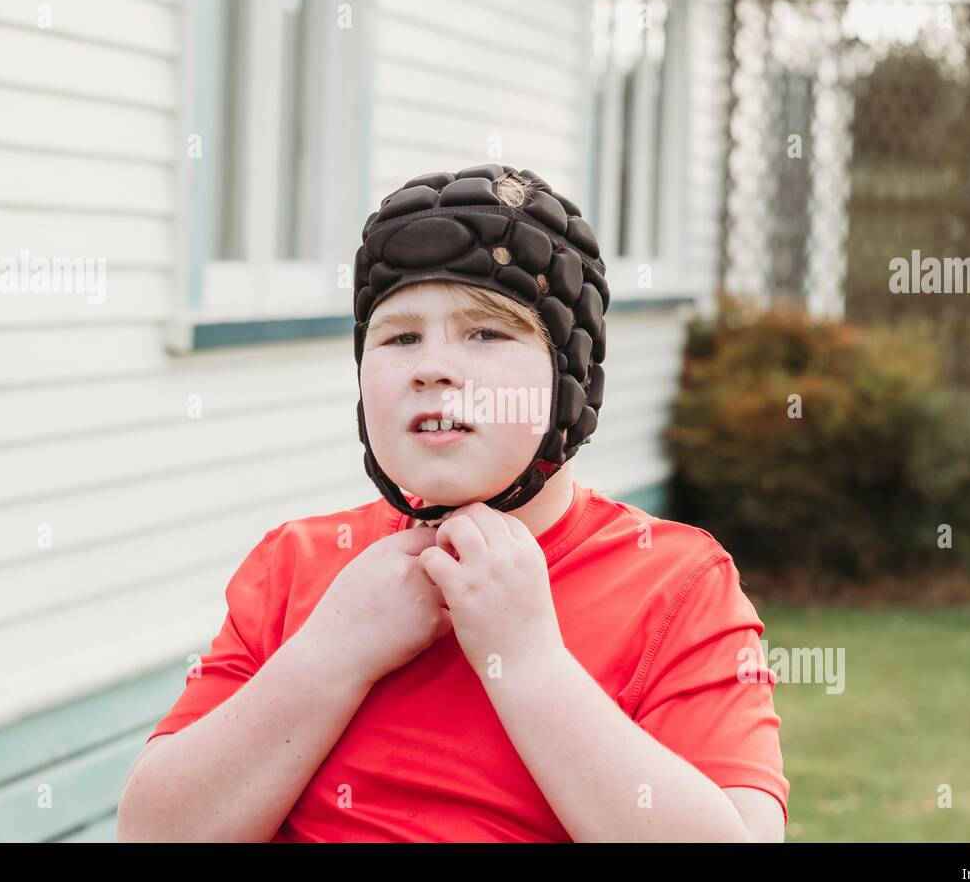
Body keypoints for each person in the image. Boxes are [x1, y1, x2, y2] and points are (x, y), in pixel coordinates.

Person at [116, 164, 788, 842]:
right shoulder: (297, 567)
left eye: (487, 333)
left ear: (568, 379)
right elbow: (151, 834)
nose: (430, 366)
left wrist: (527, 660)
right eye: (400, 336)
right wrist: (331, 654)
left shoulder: (675, 586)